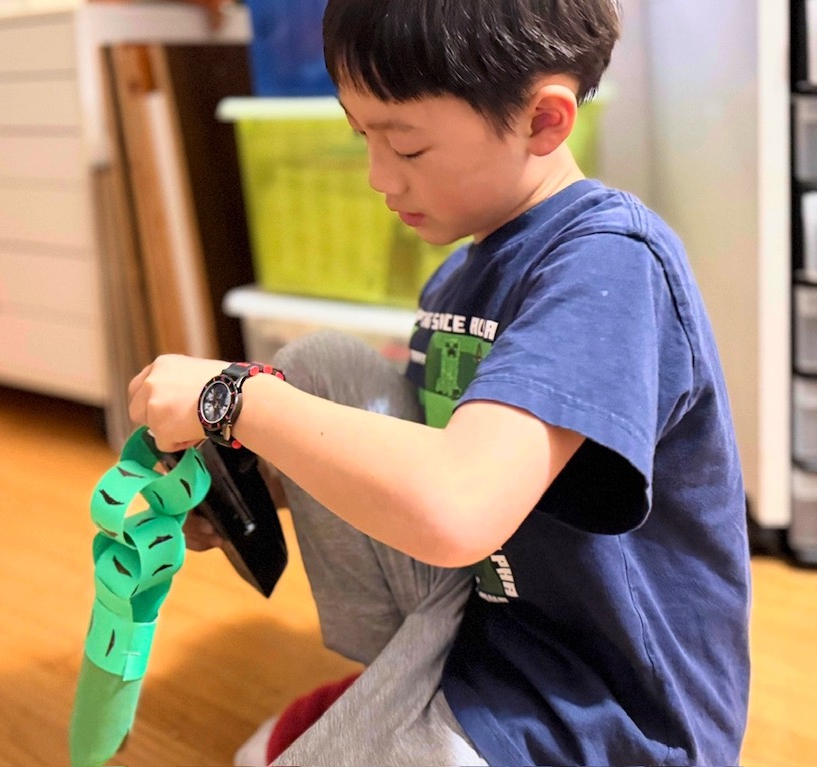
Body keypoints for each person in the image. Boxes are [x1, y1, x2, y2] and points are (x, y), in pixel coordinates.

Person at [126, 0, 752, 764]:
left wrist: (234, 399)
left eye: (408, 147)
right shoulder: (461, 276)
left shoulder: (609, 268)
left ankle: (411, 707)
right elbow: (418, 459)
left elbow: (456, 505)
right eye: (364, 137)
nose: (377, 177)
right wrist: (253, 487)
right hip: (488, 631)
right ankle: (404, 683)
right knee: (325, 368)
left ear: (544, 121)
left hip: (602, 716)